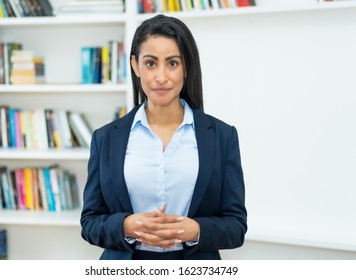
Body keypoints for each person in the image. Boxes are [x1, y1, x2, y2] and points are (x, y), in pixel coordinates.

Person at [80, 14, 247, 260]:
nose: (161, 77)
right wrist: (126, 226)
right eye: (150, 63)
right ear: (135, 65)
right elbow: (90, 222)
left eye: (172, 63)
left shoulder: (222, 136)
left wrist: (196, 230)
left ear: (186, 67)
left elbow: (236, 226)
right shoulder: (105, 138)